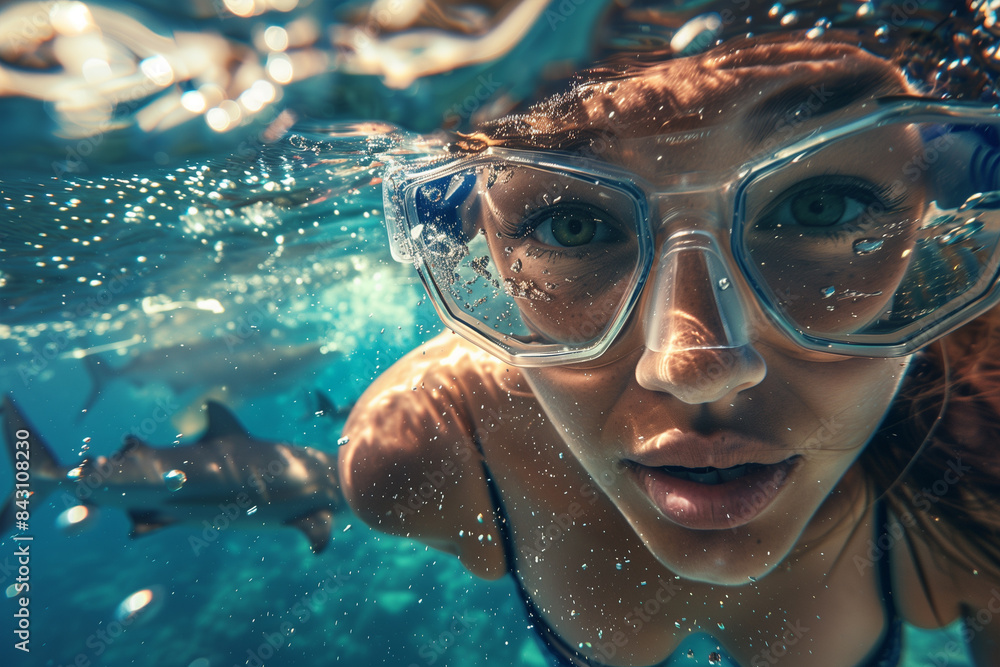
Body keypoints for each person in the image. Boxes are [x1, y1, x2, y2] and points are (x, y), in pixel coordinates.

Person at [339, 23, 1000, 667]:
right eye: (571, 226)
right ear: (467, 229)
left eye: (820, 207)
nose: (697, 368)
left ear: (932, 207)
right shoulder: (426, 448)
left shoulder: (983, 468)